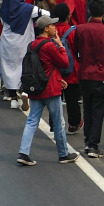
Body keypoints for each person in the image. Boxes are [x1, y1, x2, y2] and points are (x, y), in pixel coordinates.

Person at [16, 13, 79, 165]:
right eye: (52, 25)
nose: (54, 27)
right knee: (58, 123)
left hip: (37, 88)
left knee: (32, 121)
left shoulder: (32, 45)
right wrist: (61, 46)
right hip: (50, 89)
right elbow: (64, 62)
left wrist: (58, 78)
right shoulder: (49, 46)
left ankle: (24, 153)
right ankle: (63, 154)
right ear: (45, 29)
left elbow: (43, 67)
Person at [68, 0, 104, 158]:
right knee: (98, 111)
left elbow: (76, 50)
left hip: (84, 74)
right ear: (103, 12)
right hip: (101, 76)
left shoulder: (80, 29)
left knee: (88, 108)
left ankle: (87, 141)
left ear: (89, 11)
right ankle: (93, 145)